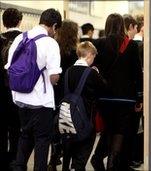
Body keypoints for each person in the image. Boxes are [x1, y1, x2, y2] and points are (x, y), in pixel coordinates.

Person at [4, 8, 62, 170]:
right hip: (40, 102)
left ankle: (19, 167)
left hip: (20, 98)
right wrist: (57, 77)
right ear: (54, 26)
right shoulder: (50, 43)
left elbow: (9, 67)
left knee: (25, 135)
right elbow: (53, 77)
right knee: (42, 141)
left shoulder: (20, 38)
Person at [94, 13, 143, 171]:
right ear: (122, 25)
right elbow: (137, 74)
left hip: (104, 97)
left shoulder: (98, 44)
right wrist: (139, 98)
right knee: (120, 131)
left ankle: (98, 157)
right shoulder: (131, 45)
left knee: (108, 129)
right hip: (125, 98)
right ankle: (112, 163)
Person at [61, 41, 107, 171]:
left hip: (66, 119)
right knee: (81, 157)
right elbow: (104, 87)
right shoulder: (91, 73)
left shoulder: (68, 71)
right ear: (90, 55)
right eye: (94, 56)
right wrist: (97, 73)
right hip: (85, 120)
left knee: (68, 151)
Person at [48, 19, 79, 170]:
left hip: (53, 93)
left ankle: (54, 157)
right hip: (69, 96)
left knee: (53, 127)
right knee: (67, 130)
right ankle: (65, 162)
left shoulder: (54, 50)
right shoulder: (76, 54)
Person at [0, 8, 23, 170]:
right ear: (20, 21)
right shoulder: (24, 40)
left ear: (3, 23)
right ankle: (15, 159)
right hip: (17, 91)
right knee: (17, 128)